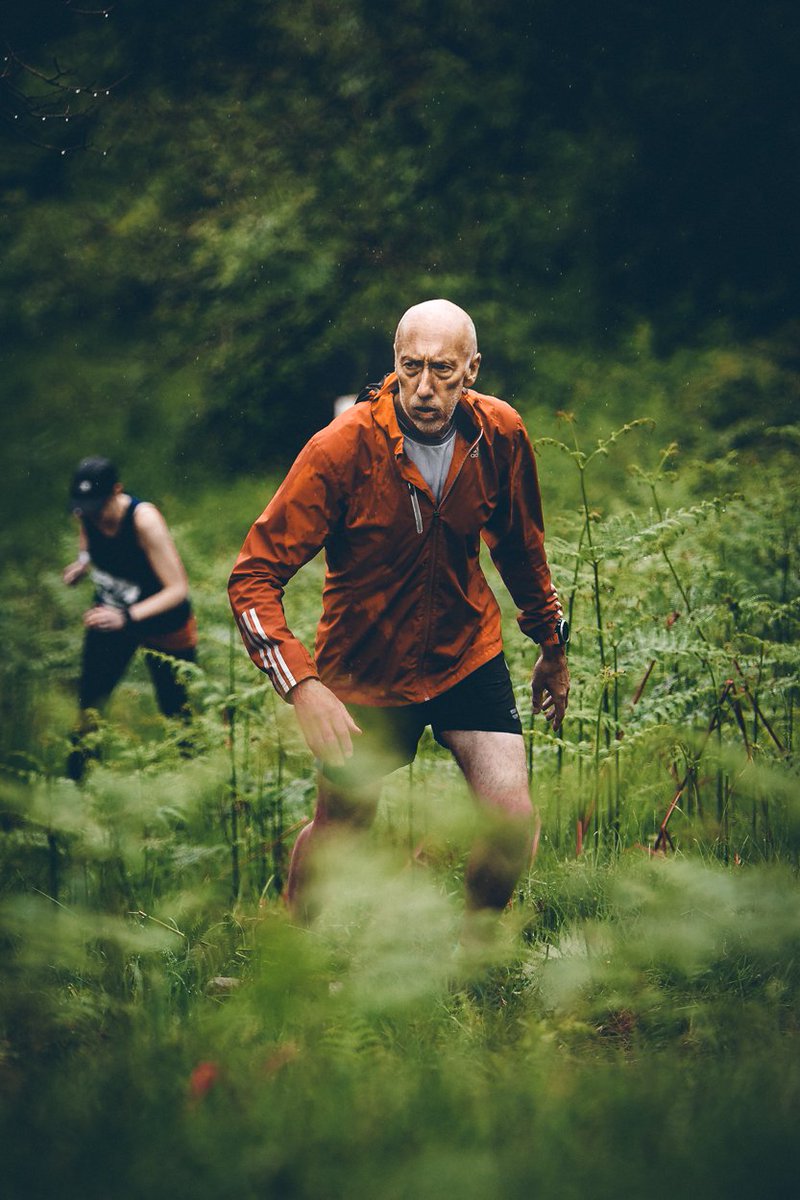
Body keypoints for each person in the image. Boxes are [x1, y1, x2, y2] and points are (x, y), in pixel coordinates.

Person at [229, 299, 569, 931]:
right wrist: (302, 686)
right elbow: (252, 578)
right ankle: (291, 959)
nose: (422, 387)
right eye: (410, 366)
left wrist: (551, 643)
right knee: (343, 826)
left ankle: (475, 960)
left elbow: (521, 547)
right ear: (394, 361)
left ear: (472, 369)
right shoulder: (342, 448)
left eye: (442, 369)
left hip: (465, 651)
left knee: (511, 823)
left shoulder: (499, 434)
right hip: (366, 667)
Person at [64, 456, 198, 780]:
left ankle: (197, 792)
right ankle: (75, 792)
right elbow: (88, 535)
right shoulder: (87, 511)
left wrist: (126, 617)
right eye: (85, 507)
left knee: (176, 712)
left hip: (163, 624)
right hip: (109, 618)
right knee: (90, 703)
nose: (91, 514)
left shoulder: (143, 520)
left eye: (99, 505)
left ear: (117, 490)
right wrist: (83, 561)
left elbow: (178, 589)